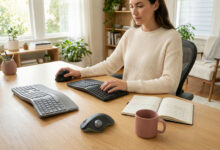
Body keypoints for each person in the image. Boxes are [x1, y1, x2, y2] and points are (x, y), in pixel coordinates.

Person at [56, 0, 182, 95]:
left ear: (156, 5)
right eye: (131, 6)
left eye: (140, 6)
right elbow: (110, 65)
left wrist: (127, 85)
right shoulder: (131, 33)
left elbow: (170, 84)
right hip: (128, 97)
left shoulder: (171, 37)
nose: (134, 12)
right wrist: (80, 72)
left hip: (154, 102)